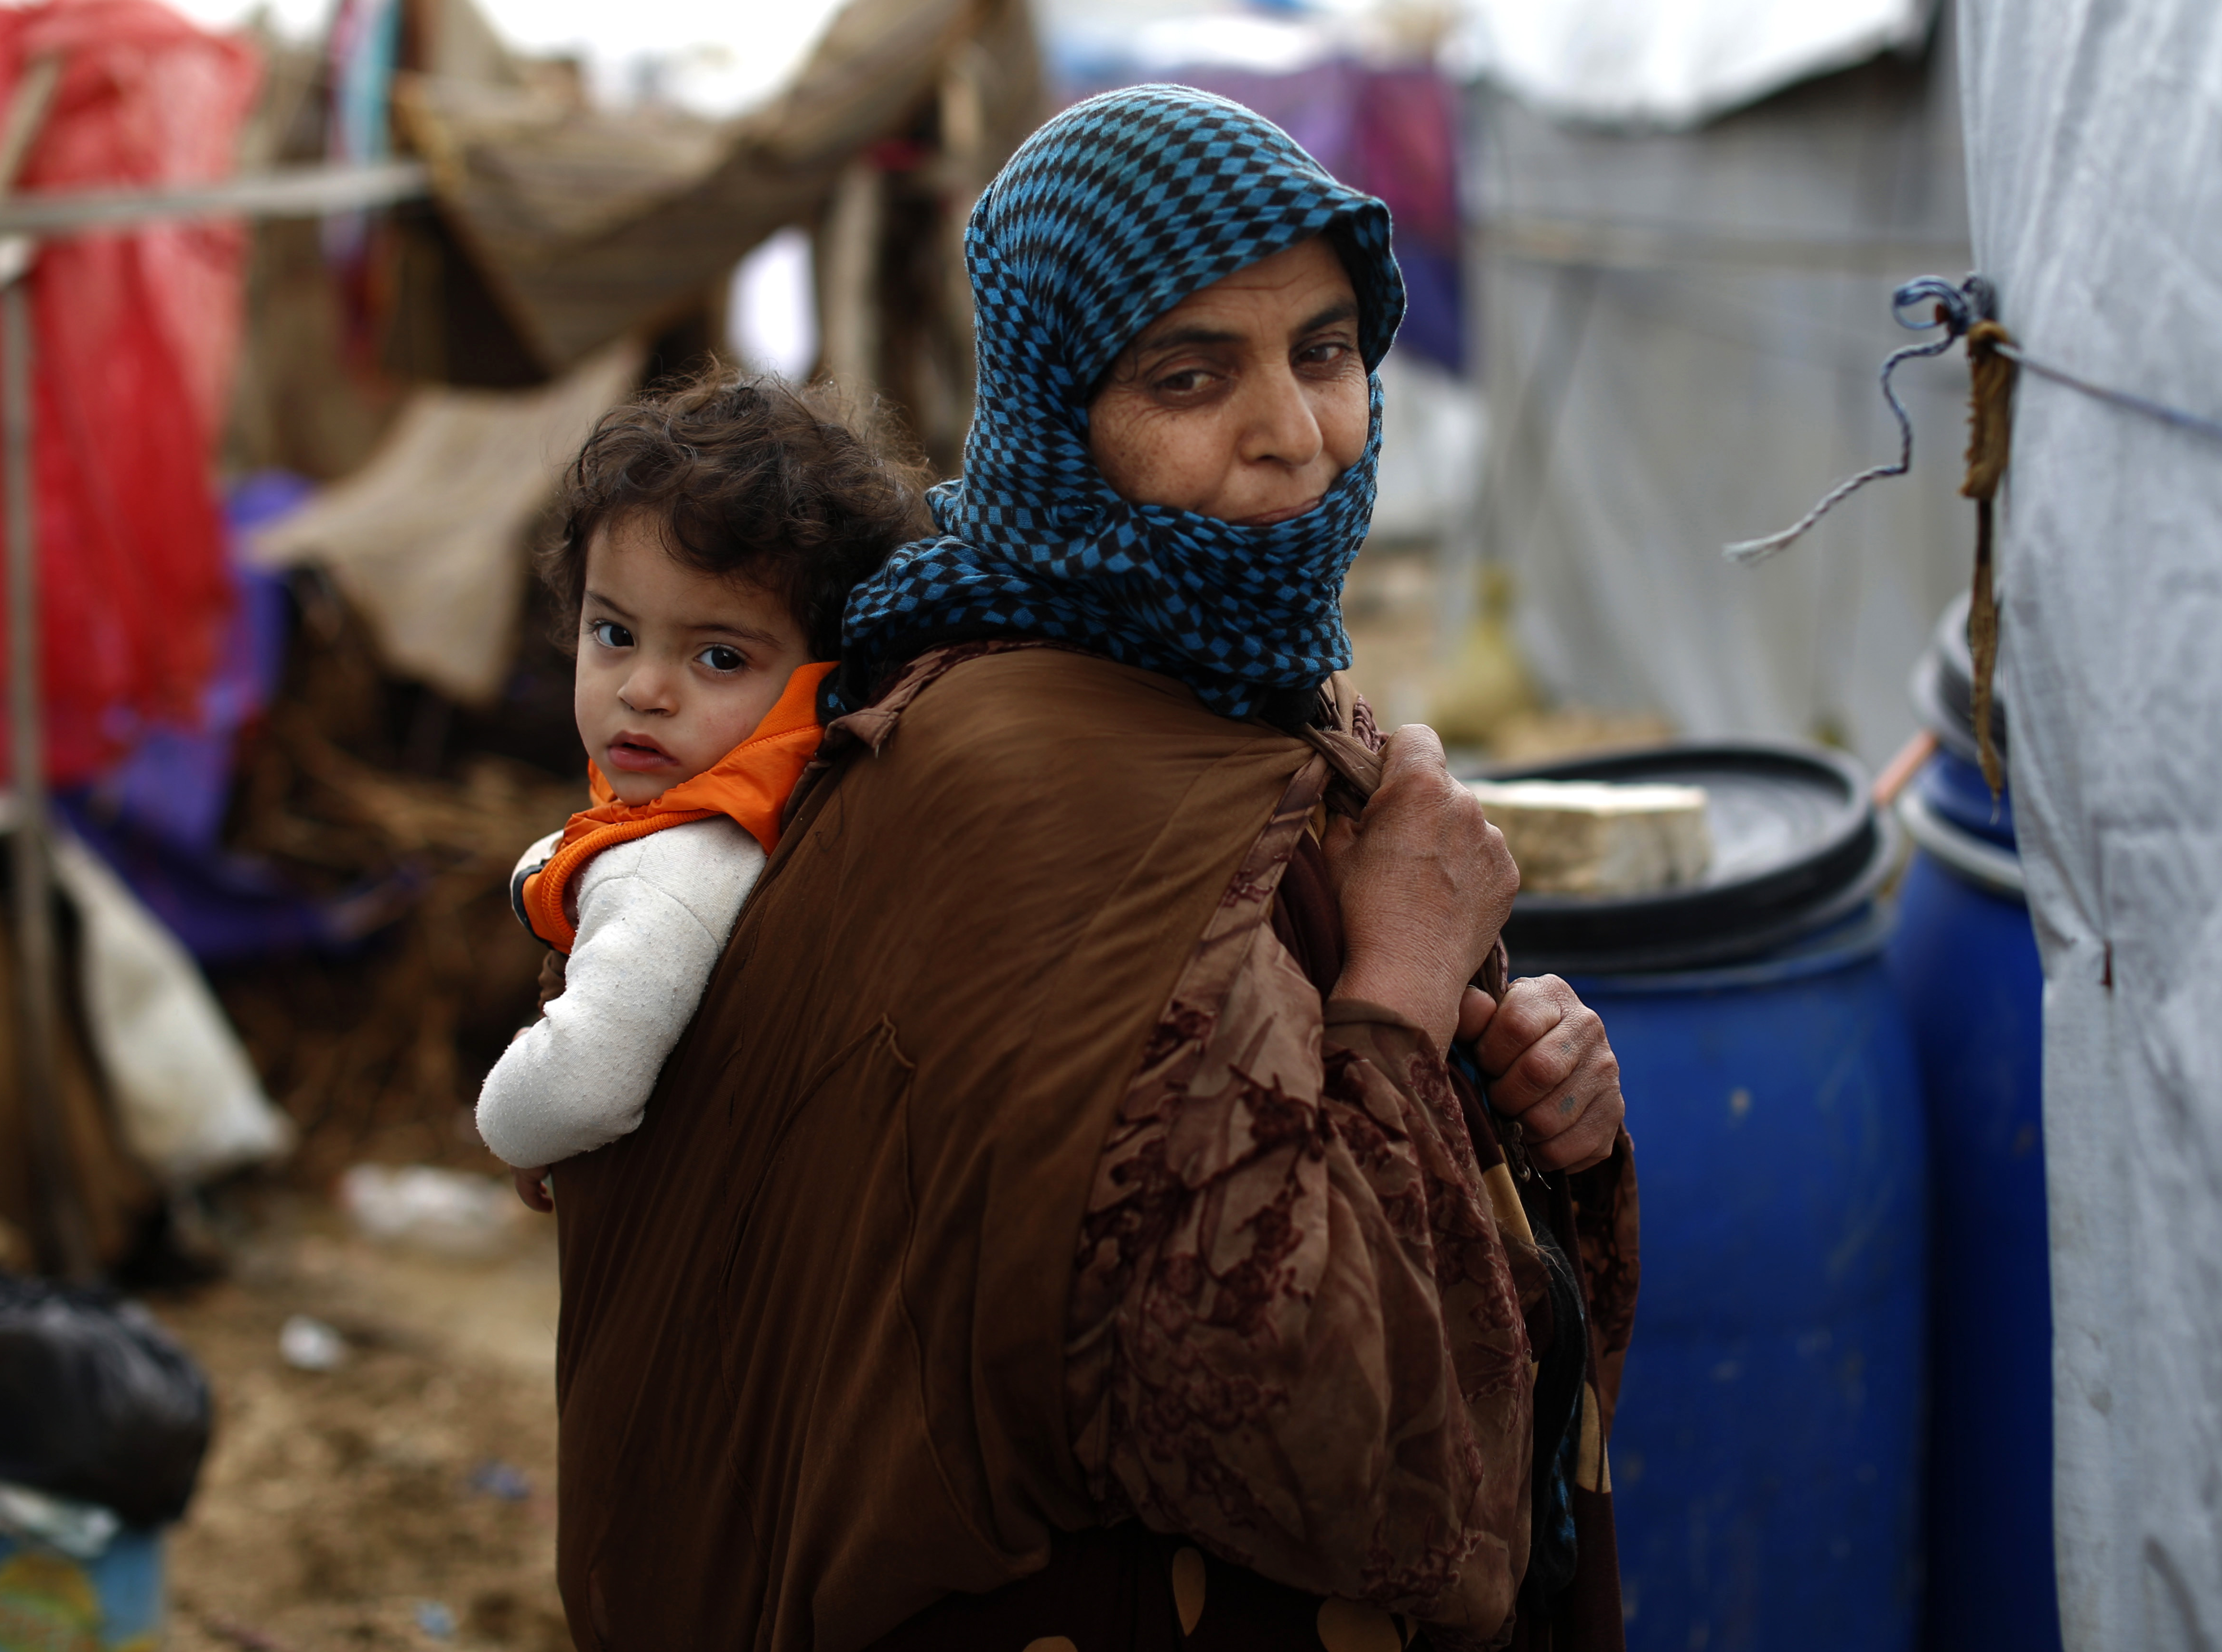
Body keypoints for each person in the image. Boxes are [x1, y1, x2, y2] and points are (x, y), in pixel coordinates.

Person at [548, 87, 1639, 1651]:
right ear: (1062, 404)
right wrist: (1399, 980)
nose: (1290, 432)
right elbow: (1277, 1412)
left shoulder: (1248, 693)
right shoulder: (1030, 781)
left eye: (1324, 352)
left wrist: (1522, 1114)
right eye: (1190, 375)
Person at [474, 374, 927, 1196]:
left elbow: (585, 1082)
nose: (644, 689)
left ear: (824, 678)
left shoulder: (681, 866)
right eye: (613, 633)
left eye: (719, 657)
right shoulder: (751, 800)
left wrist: (511, 1129)